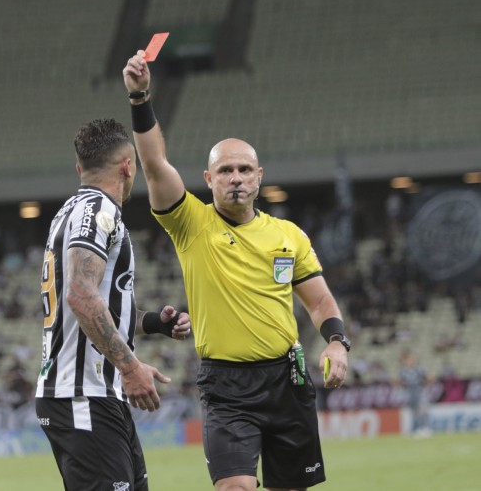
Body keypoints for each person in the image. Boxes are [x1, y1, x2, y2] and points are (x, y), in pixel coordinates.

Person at [122, 52, 350, 491]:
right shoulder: (191, 224)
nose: (236, 178)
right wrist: (139, 96)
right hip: (226, 387)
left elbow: (320, 302)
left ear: (260, 176)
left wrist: (337, 344)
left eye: (245, 169)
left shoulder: (289, 236)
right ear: (208, 178)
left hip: (288, 379)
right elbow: (153, 165)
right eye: (225, 170)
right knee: (235, 487)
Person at [35, 118, 191, 491]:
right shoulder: (99, 212)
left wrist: (153, 322)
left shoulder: (70, 212)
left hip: (93, 394)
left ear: (79, 168)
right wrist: (129, 365)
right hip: (82, 394)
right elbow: (80, 295)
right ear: (128, 165)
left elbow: (96, 302)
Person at [399, 351, 432, 437]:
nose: (409, 362)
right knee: (414, 412)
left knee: (422, 410)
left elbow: (427, 378)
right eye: (408, 361)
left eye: (411, 360)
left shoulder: (419, 369)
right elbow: (402, 382)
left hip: (419, 391)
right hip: (410, 392)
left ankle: (425, 428)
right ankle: (417, 428)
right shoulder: (403, 371)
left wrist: (423, 386)